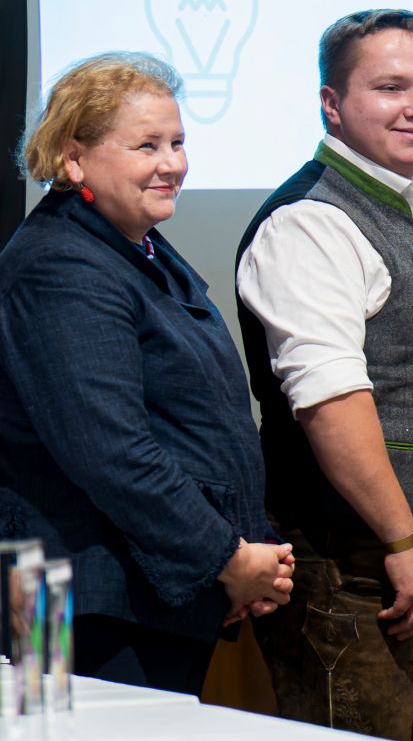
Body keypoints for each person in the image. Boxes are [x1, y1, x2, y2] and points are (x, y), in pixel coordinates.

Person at [237, 9, 413, 741]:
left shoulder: (409, 203)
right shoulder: (309, 222)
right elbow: (332, 406)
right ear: (332, 103)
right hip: (354, 565)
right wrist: (402, 539)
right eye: (391, 88)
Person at [0, 53, 292, 693]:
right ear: (74, 158)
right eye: (147, 146)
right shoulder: (59, 267)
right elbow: (112, 451)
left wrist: (245, 550)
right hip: (85, 601)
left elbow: (199, 424)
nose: (173, 164)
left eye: (178, 143)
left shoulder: (134, 245)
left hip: (152, 589)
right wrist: (226, 558)